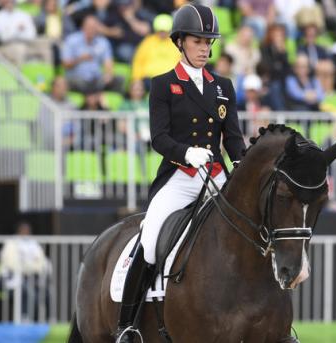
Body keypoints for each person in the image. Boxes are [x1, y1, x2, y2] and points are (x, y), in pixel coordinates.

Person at [114, 4, 246, 342]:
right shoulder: (163, 84)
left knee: (251, 232)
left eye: (209, 42)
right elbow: (159, 138)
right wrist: (187, 152)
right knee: (151, 239)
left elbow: (232, 139)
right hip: (180, 176)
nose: (205, 48)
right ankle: (127, 325)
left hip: (216, 176)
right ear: (180, 42)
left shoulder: (223, 87)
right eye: (198, 41)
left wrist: (244, 168)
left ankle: (268, 317)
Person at [0, 221, 50, 322]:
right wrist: (29, 267)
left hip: (31, 277)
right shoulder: (11, 243)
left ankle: (46, 320)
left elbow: (42, 262)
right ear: (18, 231)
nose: (26, 232)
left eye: (27, 230)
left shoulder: (33, 244)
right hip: (11, 278)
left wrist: (32, 268)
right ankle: (24, 318)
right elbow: (10, 263)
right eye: (23, 230)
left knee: (47, 292)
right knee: (28, 291)